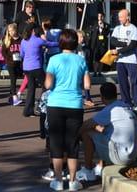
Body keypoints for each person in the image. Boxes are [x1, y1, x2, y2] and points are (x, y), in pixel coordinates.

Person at [44, 29, 93, 191]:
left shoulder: (54, 59)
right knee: (72, 144)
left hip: (55, 104)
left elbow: (48, 85)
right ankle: (73, 181)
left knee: (56, 144)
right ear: (75, 43)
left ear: (60, 43)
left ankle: (58, 180)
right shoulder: (80, 60)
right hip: (75, 105)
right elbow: (87, 85)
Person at [77, 82, 137, 182]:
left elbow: (86, 125)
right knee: (106, 133)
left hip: (120, 156)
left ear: (102, 97)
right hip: (133, 154)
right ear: (116, 94)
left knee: (87, 133)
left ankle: (88, 170)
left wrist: (74, 137)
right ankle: (99, 166)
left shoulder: (110, 110)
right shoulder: (125, 106)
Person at [21, 23, 59, 117]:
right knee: (46, 86)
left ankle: (28, 111)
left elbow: (22, 54)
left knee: (31, 89)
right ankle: (41, 106)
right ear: (34, 30)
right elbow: (50, 44)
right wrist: (61, 42)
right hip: (36, 67)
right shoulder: (38, 40)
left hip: (26, 67)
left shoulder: (23, 41)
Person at [110, 9, 137, 113]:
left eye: (121, 17)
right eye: (119, 17)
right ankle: (127, 103)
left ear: (127, 17)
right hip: (120, 61)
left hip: (131, 60)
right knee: (123, 83)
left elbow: (133, 45)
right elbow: (113, 41)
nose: (119, 19)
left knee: (134, 82)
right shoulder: (117, 28)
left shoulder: (134, 29)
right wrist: (125, 44)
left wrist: (119, 50)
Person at [87, 12, 110, 77]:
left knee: (101, 59)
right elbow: (91, 33)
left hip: (102, 44)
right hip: (95, 44)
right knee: (95, 59)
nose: (100, 18)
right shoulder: (94, 25)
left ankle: (100, 72)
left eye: (101, 16)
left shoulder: (106, 25)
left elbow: (107, 34)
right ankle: (95, 72)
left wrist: (103, 28)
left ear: (103, 17)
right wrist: (98, 27)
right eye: (99, 16)